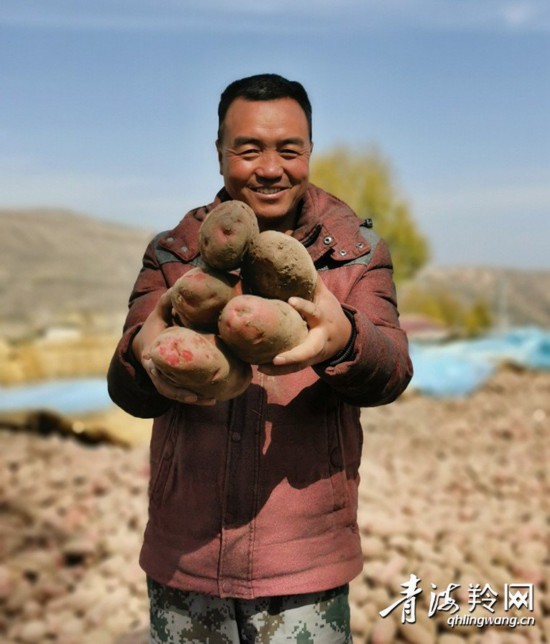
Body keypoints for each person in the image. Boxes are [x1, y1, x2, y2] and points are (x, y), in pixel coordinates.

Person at [107, 73, 413, 643]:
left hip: (304, 562)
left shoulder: (355, 251)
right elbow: (126, 391)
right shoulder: (173, 253)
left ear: (309, 153)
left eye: (288, 150)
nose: (269, 168)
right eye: (248, 150)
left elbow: (393, 368)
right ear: (220, 153)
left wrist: (343, 338)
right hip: (186, 557)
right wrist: (144, 350)